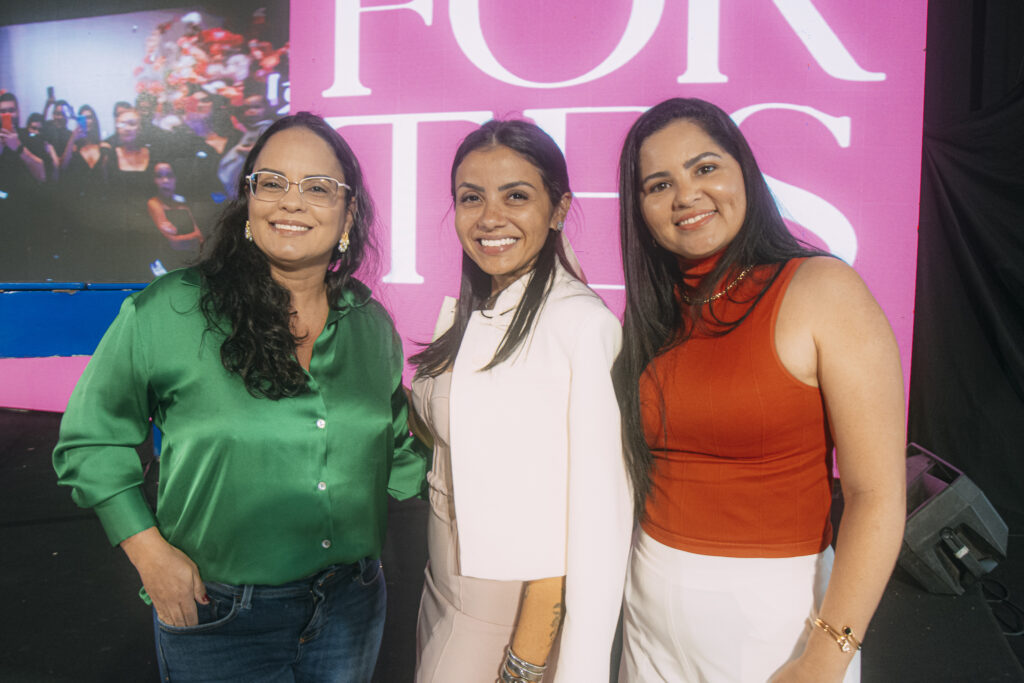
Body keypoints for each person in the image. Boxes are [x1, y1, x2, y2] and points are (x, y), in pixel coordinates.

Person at [53, 111, 429, 682]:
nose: (291, 202)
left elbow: (399, 453)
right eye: (272, 182)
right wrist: (149, 554)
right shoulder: (172, 309)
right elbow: (90, 440)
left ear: (348, 214)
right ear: (248, 201)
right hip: (219, 616)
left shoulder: (369, 324)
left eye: (317, 188)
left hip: (351, 609)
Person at [613, 98, 907, 682]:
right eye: (659, 184)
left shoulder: (823, 288)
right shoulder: (655, 313)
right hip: (646, 621)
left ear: (743, 171)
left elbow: (876, 495)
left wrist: (827, 656)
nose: (686, 196)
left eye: (705, 168)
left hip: (777, 632)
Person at [409, 120, 632, 683]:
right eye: (471, 198)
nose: (490, 217)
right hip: (442, 590)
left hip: (500, 621)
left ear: (558, 209)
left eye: (516, 196)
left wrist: (524, 665)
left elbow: (582, 517)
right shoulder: (479, 306)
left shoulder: (578, 324)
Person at [146, 160, 203, 268]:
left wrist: (181, 238)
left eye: (169, 175)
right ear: (154, 180)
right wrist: (191, 239)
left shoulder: (182, 202)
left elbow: (199, 238)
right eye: (159, 176)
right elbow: (173, 243)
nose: (165, 181)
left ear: (176, 178)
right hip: (165, 262)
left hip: (188, 261)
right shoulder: (153, 203)